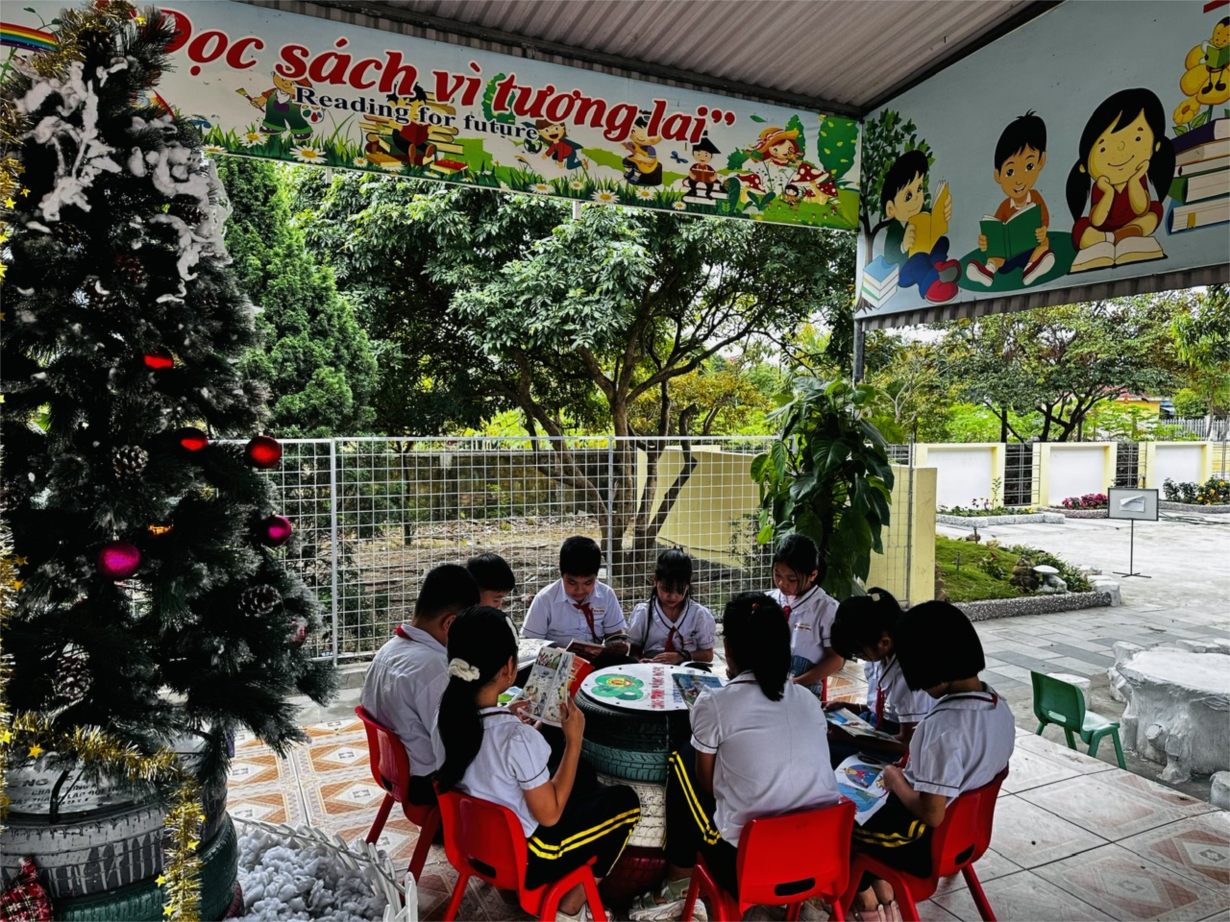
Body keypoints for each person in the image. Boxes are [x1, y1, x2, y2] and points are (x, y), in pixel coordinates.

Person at [629, 592, 840, 921]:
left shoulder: (715, 703)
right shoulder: (809, 701)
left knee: (683, 759)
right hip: (821, 862)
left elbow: (707, 784)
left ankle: (677, 881)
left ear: (727, 649)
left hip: (746, 869)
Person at [434, 606, 641, 922]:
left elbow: (488, 756)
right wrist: (574, 740)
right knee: (626, 803)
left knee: (582, 775)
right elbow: (550, 815)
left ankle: (540, 888)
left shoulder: (446, 718)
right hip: (531, 856)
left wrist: (508, 716)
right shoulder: (515, 738)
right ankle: (571, 907)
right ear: (509, 667)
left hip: (473, 843)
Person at [849, 601, 1015, 921]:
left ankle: (869, 905)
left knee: (837, 824)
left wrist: (895, 778)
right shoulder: (997, 704)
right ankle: (883, 894)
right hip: (967, 833)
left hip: (921, 841)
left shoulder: (943, 727)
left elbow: (931, 813)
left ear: (929, 664)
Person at [360, 564, 479, 805]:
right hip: (427, 785)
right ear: (450, 623)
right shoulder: (435, 670)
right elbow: (453, 749)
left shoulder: (387, 650)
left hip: (393, 773)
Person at [1067, 88, 1175, 272]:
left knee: (1155, 210)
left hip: (1134, 223)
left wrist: (1134, 180)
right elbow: (1097, 221)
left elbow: (1141, 208)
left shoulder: (1138, 179)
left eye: (1137, 138)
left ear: (1156, 145)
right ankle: (1111, 239)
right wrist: (1108, 193)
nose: (1120, 149)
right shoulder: (1101, 186)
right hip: (1103, 230)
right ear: (1085, 165)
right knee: (1081, 228)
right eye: (1103, 149)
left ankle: (1124, 236)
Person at [827, 589, 935, 763]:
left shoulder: (909, 678)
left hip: (899, 744)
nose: (860, 658)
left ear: (884, 642)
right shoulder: (880, 654)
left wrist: (848, 737)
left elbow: (907, 744)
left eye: (859, 653)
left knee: (828, 750)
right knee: (821, 734)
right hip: (878, 724)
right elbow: (887, 708)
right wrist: (850, 707)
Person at [966, 111, 1055, 288]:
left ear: (1041, 161)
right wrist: (986, 241)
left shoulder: (1035, 197)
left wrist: (1042, 230)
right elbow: (995, 231)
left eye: (1029, 166)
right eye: (1010, 171)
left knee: (1044, 242)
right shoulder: (1005, 206)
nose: (1019, 179)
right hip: (1007, 258)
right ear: (998, 175)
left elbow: (1044, 219)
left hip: (1030, 249)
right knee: (996, 253)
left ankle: (1033, 267)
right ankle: (989, 270)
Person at [522, 536, 629, 660]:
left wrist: (618, 646)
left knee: (629, 662)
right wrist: (556, 652)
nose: (580, 590)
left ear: (596, 576)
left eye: (588, 583)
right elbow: (530, 644)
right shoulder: (545, 599)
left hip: (595, 659)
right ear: (561, 572)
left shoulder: (606, 594)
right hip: (557, 661)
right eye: (572, 583)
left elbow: (614, 635)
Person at [766, 535, 843, 698]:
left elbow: (836, 659)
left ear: (812, 575)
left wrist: (795, 684)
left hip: (805, 690)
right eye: (777, 574)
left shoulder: (826, 608)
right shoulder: (769, 600)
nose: (782, 583)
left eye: (792, 579)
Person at [879, 149, 959, 303]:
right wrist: (903, 246)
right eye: (908, 196)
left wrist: (942, 214)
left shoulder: (921, 215)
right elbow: (889, 257)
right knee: (917, 258)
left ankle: (938, 266)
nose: (916, 198)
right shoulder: (895, 229)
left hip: (925, 257)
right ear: (891, 209)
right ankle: (931, 287)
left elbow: (933, 225)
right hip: (905, 272)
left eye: (919, 189)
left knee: (942, 241)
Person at [628, 548, 716, 665]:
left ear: (688, 586)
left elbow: (708, 655)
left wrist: (682, 656)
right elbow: (634, 652)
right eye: (667, 589)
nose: (673, 596)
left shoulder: (699, 615)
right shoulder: (643, 613)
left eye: (679, 590)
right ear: (656, 581)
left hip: (687, 669)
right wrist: (640, 662)